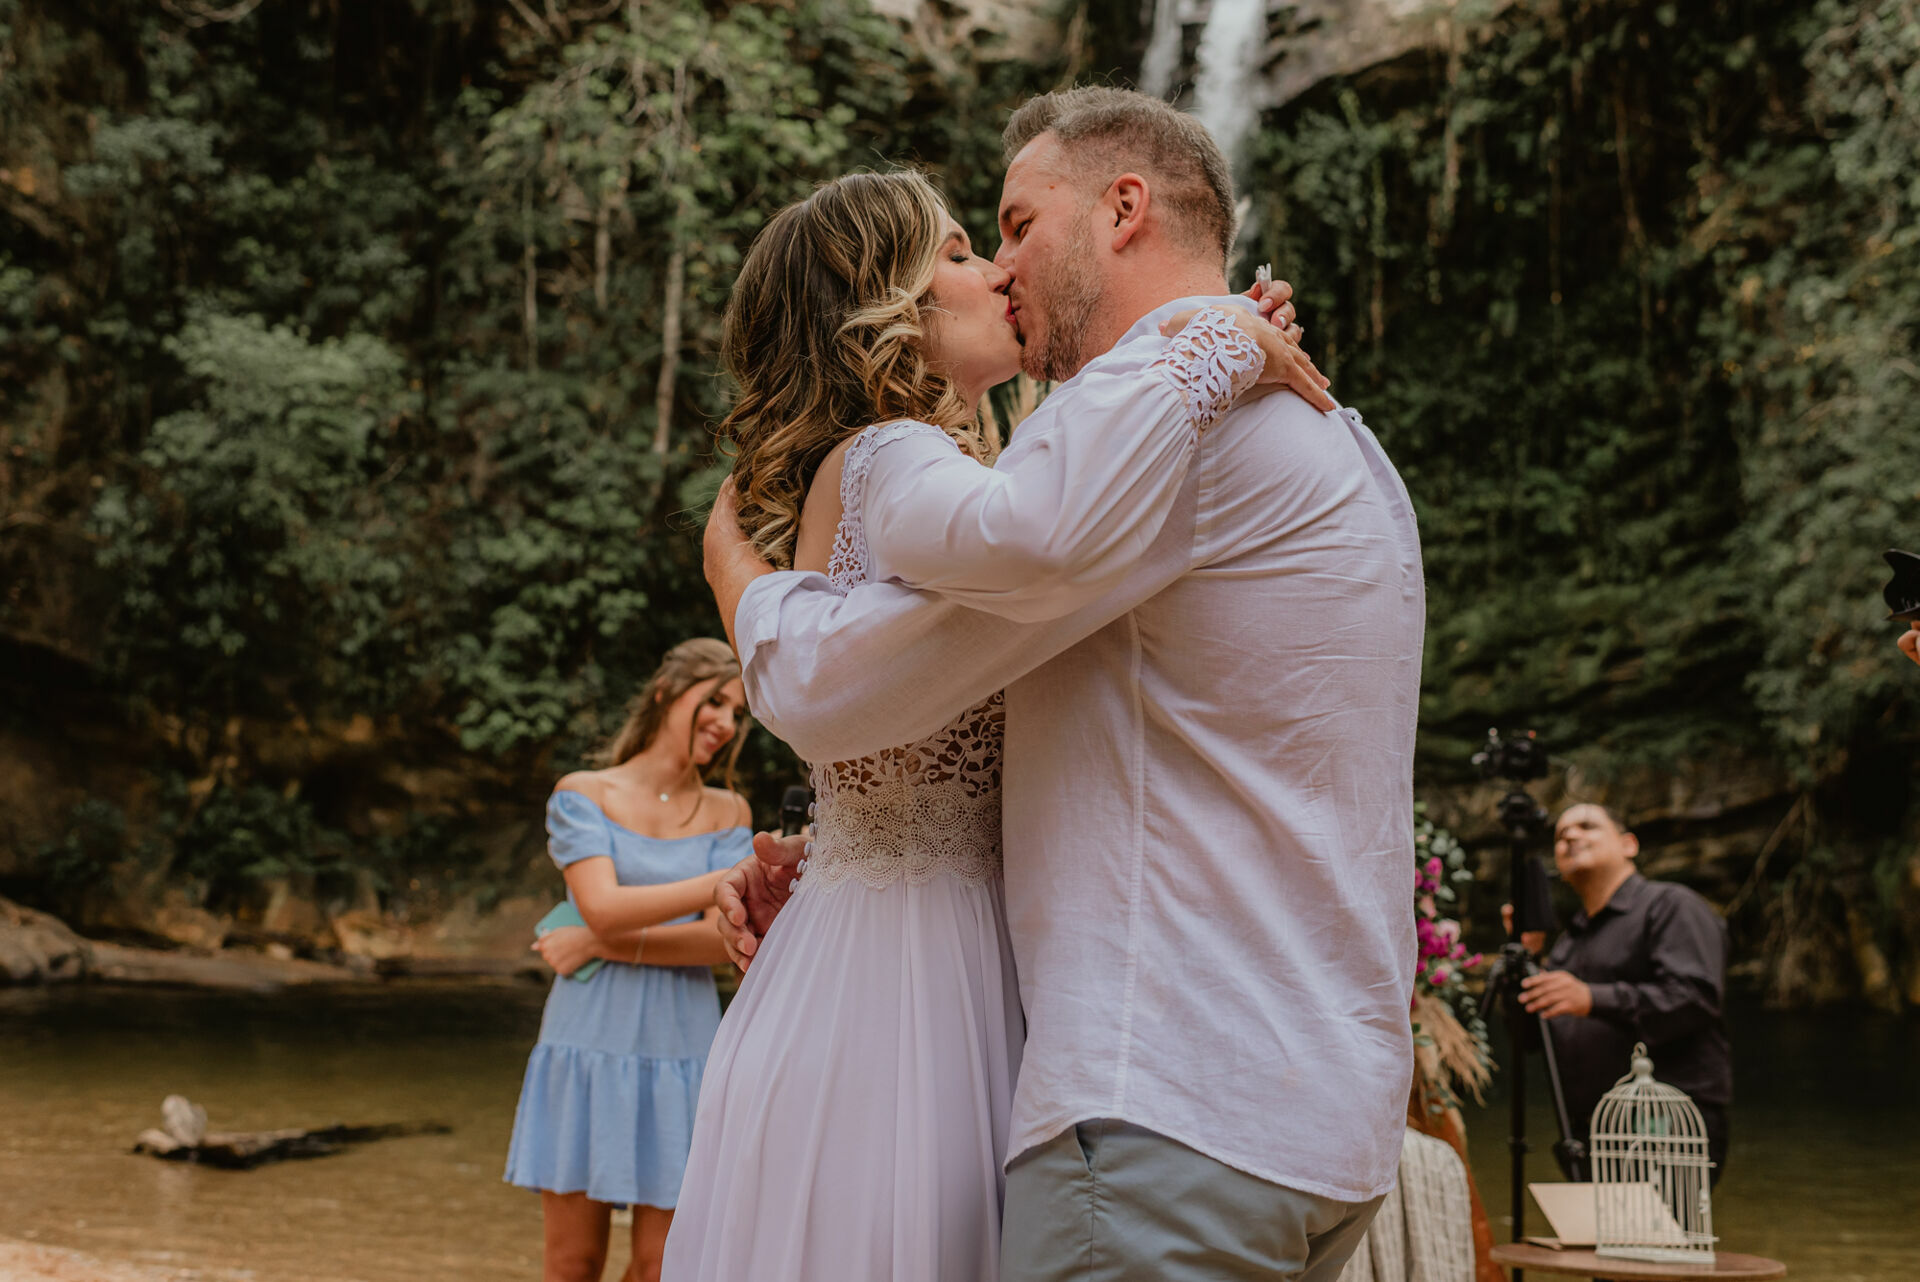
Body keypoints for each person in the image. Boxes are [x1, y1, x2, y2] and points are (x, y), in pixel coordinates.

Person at [696, 85, 1425, 1282]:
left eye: (1014, 226)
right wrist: (845, 852)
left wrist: (741, 583)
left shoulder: (1156, 446)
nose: (1002, 268)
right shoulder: (1312, 429)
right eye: (967, 248)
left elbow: (832, 683)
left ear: (1123, 209)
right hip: (1284, 1113)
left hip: (1166, 1114)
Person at [504, 638, 753, 1282]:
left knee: (662, 1266)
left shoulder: (729, 811)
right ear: (666, 693)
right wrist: (721, 881)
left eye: (738, 712)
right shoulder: (584, 794)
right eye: (715, 701)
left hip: (684, 1048)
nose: (726, 722)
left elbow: (719, 941)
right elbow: (603, 907)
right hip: (587, 1039)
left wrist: (599, 943)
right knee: (573, 1263)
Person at [1517, 803, 1733, 1182]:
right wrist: (1527, 957)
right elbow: (1530, 1038)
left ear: (1628, 844)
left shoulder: (1670, 906)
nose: (1570, 836)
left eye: (1587, 826)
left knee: (1661, 1223)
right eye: (1560, 835)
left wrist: (1592, 998)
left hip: (1667, 1123)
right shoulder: (1567, 943)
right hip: (1589, 1132)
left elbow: (1695, 997)